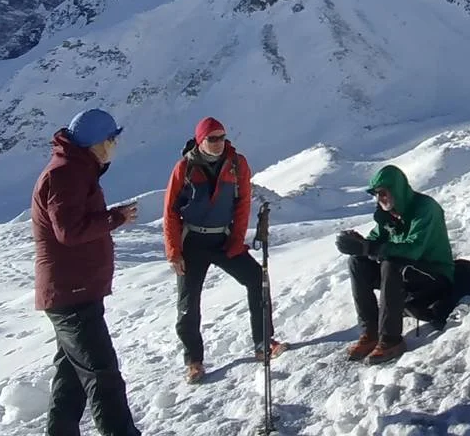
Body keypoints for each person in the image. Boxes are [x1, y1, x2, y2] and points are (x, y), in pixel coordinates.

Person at [32, 108, 141, 436]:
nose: (115, 145)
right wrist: (114, 218)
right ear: (98, 142)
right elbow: (69, 231)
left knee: (72, 377)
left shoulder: (75, 169)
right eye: (112, 139)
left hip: (74, 291)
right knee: (102, 374)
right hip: (72, 293)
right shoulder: (67, 173)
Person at [163, 116, 283, 383]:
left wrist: (237, 241)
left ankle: (264, 343)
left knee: (256, 279)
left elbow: (243, 204)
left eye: (222, 137)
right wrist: (174, 252)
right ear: (200, 140)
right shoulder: (184, 167)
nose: (218, 143)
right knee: (188, 303)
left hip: (223, 239)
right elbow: (170, 211)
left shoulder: (237, 164)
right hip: (192, 241)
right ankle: (194, 361)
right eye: (212, 138)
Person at [335, 164, 455, 364]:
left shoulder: (425, 208)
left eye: (382, 192)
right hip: (405, 274)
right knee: (357, 262)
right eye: (376, 194)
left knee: (391, 263)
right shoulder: (388, 216)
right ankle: (370, 333)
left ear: (396, 190)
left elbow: (414, 249)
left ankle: (391, 339)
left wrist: (370, 248)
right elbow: (375, 241)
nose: (379, 198)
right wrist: (360, 244)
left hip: (434, 275)